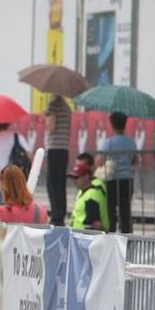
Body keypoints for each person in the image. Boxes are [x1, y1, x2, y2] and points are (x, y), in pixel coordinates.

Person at [95, 111, 138, 233]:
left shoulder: (108, 142)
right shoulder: (131, 142)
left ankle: (111, 233)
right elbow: (135, 161)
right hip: (127, 180)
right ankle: (127, 234)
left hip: (111, 180)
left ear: (111, 125)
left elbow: (99, 161)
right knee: (125, 210)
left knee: (110, 210)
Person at [0, 123, 31, 212]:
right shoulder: (17, 137)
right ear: (8, 124)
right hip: (14, 180)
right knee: (15, 210)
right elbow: (29, 155)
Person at [45, 95, 73, 225]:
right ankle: (60, 215)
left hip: (54, 148)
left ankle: (56, 217)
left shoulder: (53, 106)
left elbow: (51, 127)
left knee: (52, 184)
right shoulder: (67, 108)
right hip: (64, 149)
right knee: (61, 185)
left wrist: (47, 118)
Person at [67, 161, 108, 231]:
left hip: (85, 235)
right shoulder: (84, 191)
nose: (74, 180)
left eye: (76, 177)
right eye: (72, 177)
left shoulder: (91, 197)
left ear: (86, 177)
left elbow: (97, 225)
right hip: (80, 234)